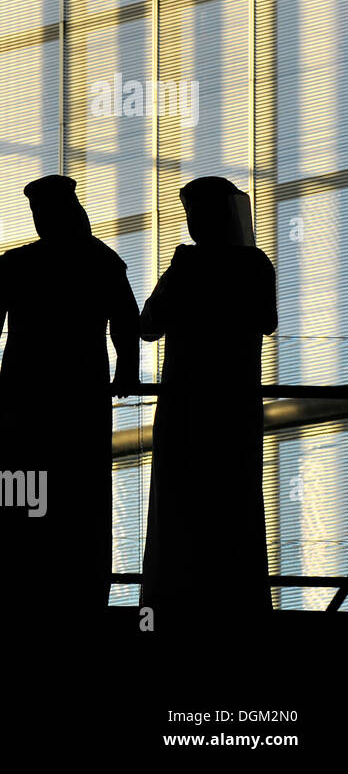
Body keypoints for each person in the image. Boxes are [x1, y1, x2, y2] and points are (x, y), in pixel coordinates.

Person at [0, 175, 140, 616]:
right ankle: (77, 586)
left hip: (26, 397)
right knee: (79, 492)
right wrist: (127, 371)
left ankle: (11, 582)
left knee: (22, 488)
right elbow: (126, 321)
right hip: (79, 398)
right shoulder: (101, 260)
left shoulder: (19, 263)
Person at [139, 176, 277, 620]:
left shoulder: (187, 265)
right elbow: (267, 321)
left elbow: (148, 325)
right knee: (235, 500)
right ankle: (237, 604)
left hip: (185, 404)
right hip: (235, 404)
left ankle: (175, 603)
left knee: (180, 503)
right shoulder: (254, 264)